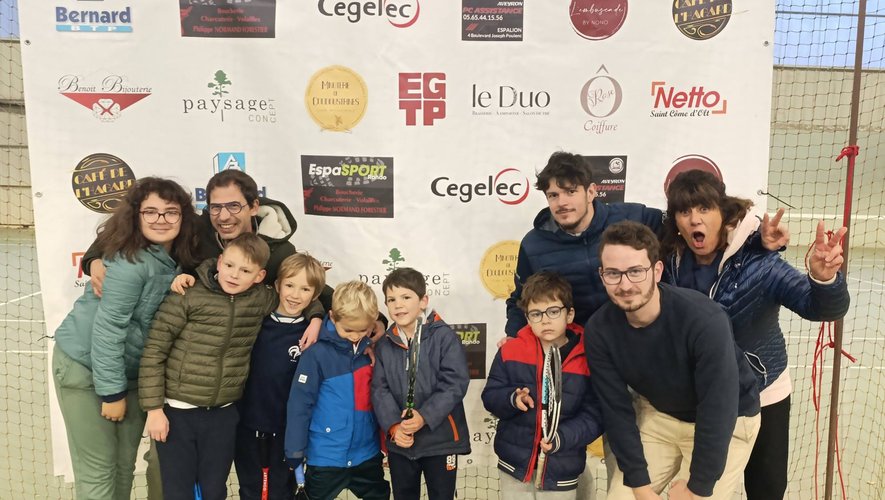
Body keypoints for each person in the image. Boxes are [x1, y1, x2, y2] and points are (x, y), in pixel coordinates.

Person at [85, 170, 324, 499]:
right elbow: (127, 230)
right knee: (165, 478)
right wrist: (94, 258)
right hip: (176, 400)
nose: (224, 216)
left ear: (254, 207)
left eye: (234, 206)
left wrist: (316, 315)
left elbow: (299, 290)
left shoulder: (278, 255)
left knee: (214, 485)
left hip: (225, 406)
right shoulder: (193, 248)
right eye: (215, 207)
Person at [661, 169, 850, 499]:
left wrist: (824, 280)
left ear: (723, 213)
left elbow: (821, 309)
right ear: (675, 220)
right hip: (699, 396)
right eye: (684, 211)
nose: (694, 219)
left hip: (763, 392)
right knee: (700, 488)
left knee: (766, 488)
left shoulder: (761, 263)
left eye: (704, 208)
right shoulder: (667, 263)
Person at [586, 221, 761, 500]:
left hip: (729, 420)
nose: (625, 284)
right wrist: (640, 487)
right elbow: (616, 411)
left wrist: (697, 488)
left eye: (636, 271)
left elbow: (718, 407)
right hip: (661, 416)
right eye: (613, 273)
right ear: (602, 275)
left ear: (657, 271)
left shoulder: (704, 320)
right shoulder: (599, 331)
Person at [52, 177, 200, 500]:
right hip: (86, 369)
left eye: (171, 212)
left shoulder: (173, 257)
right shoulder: (130, 261)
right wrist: (111, 393)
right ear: (136, 215)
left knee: (122, 468)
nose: (161, 219)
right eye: (151, 212)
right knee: (99, 475)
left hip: (129, 374)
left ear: (183, 217)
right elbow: (108, 330)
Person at [138, 233, 277, 500]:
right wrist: (154, 410)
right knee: (177, 492)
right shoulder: (188, 294)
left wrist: (316, 316)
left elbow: (298, 300)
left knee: (214, 491)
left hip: (223, 414)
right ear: (219, 262)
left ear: (259, 276)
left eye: (245, 270)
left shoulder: (261, 299)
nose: (234, 275)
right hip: (177, 413)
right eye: (230, 265)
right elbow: (154, 351)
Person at [505, 152, 664, 338]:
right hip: (579, 346)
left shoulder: (636, 217)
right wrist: (512, 338)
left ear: (590, 192)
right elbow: (520, 300)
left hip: (645, 334)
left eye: (571, 192)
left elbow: (681, 225)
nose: (562, 202)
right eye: (553, 195)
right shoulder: (533, 245)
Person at [483, 271, 603, 498]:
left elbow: (595, 415)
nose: (545, 320)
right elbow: (491, 396)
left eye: (553, 311)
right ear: (527, 318)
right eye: (536, 314)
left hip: (562, 470)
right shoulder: (510, 350)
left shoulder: (588, 357)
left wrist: (561, 438)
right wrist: (512, 399)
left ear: (569, 314)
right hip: (514, 467)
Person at [285, 281, 390, 500]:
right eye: (348, 330)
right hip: (325, 457)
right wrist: (294, 450)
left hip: (367, 455)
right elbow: (300, 404)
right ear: (332, 317)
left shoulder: (371, 351)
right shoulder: (316, 354)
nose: (355, 336)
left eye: (362, 330)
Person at [372, 268, 471, 500]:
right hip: (401, 444)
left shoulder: (444, 336)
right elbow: (380, 390)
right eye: (391, 300)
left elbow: (454, 383)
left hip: (441, 442)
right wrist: (394, 427)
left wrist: (424, 416)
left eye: (406, 297)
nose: (398, 305)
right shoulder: (385, 344)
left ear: (423, 301)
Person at [234, 253, 327, 500]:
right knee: (250, 490)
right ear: (277, 285)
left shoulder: (314, 333)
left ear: (315, 295)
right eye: (289, 285)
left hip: (288, 432)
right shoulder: (256, 322)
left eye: (305, 289)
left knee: (281, 492)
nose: (295, 295)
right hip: (248, 426)